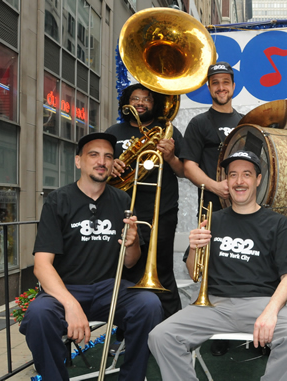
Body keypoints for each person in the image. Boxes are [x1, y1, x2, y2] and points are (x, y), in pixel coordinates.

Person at [148, 150, 287, 380]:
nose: (239, 181)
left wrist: (270, 311)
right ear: (226, 181)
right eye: (233, 175)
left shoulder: (277, 223)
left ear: (258, 180)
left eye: (246, 174)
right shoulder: (213, 219)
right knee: (161, 336)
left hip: (262, 303)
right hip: (214, 304)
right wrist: (195, 248)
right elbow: (193, 274)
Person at [19, 133, 163, 381]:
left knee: (149, 304)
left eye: (108, 156)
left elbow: (130, 262)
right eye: (93, 155)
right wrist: (70, 304)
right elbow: (42, 266)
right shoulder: (58, 200)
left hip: (109, 288)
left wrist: (131, 244)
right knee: (38, 314)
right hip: (67, 288)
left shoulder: (122, 199)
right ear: (78, 162)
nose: (102, 161)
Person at [106, 83, 184, 319]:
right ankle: (127, 329)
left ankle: (174, 329)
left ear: (155, 104)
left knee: (162, 271)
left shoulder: (168, 130)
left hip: (161, 213)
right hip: (124, 214)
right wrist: (111, 167)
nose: (140, 103)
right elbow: (100, 170)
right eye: (135, 98)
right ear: (126, 104)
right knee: (126, 272)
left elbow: (182, 171)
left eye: (147, 99)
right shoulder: (113, 132)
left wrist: (170, 156)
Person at [181, 61, 244, 213]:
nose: (221, 88)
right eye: (215, 83)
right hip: (211, 211)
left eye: (225, 82)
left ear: (233, 86)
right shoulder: (198, 123)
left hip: (244, 208)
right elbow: (189, 167)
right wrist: (215, 187)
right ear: (209, 88)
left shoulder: (246, 122)